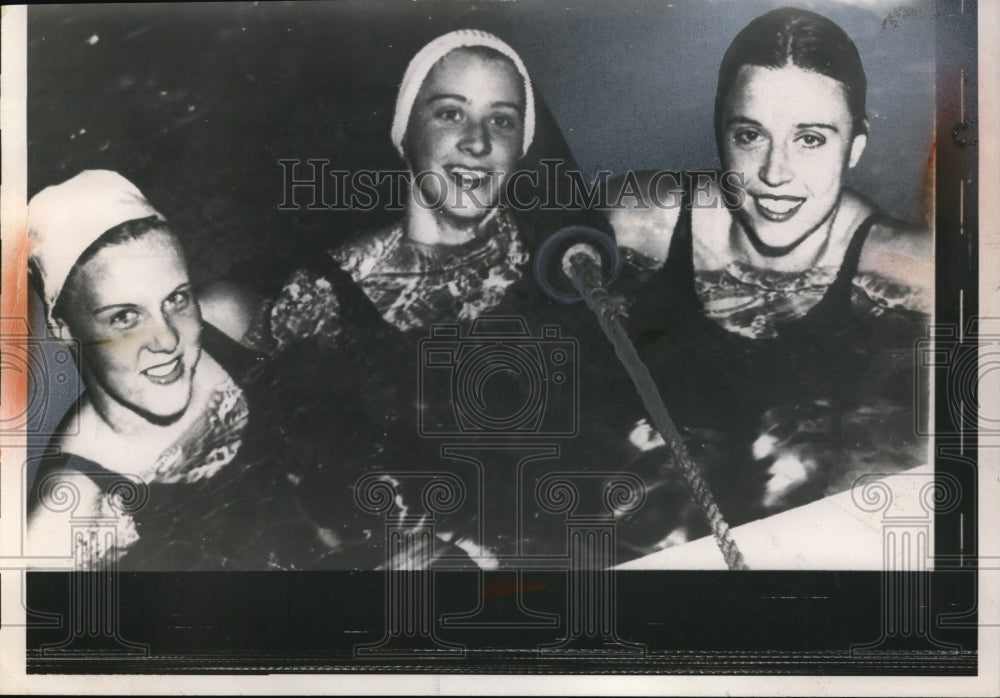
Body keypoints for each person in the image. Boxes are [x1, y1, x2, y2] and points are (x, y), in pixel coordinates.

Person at [604, 7, 933, 551]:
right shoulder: (640, 221)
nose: (775, 174)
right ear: (719, 132)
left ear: (856, 144)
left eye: (810, 139)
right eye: (751, 135)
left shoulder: (914, 267)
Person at [239, 28, 606, 352]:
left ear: (520, 148)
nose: (478, 143)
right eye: (450, 114)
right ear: (406, 134)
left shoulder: (555, 246)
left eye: (501, 120)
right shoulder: (325, 292)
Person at [25, 170, 256, 568]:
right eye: (125, 317)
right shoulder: (67, 522)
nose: (166, 339)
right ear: (65, 329)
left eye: (176, 299)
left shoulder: (228, 321)